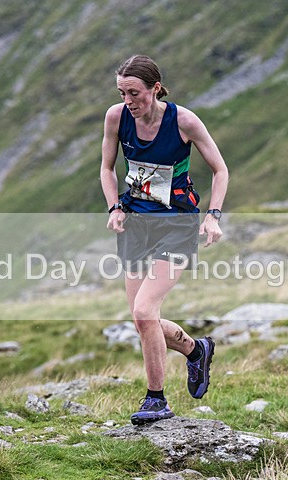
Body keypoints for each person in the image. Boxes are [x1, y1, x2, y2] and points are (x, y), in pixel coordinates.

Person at [100, 55, 229, 425]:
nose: (129, 101)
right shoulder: (116, 117)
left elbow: (220, 170)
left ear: (155, 88)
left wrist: (214, 216)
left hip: (176, 225)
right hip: (136, 226)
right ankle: (196, 350)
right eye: (122, 92)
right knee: (143, 320)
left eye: (135, 93)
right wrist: (114, 208)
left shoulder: (183, 121)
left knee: (144, 311)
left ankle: (156, 400)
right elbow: (107, 169)